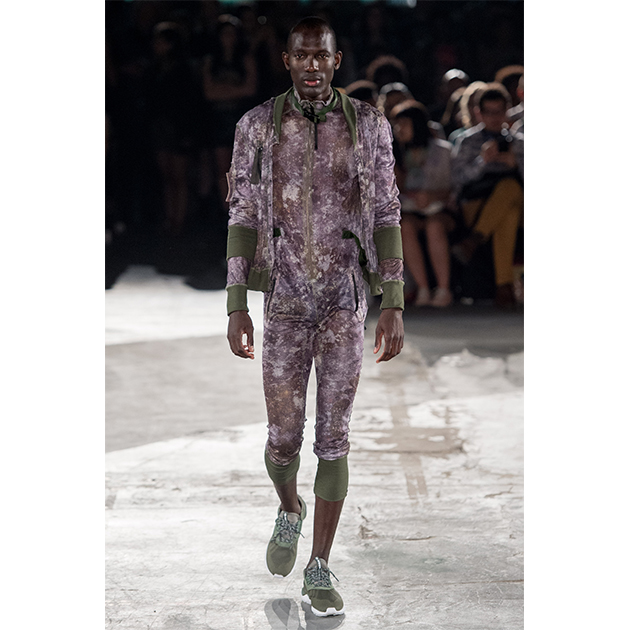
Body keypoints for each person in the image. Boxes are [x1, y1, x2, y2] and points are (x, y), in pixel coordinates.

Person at [225, 16, 404, 617]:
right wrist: (236, 303)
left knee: (333, 436)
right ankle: (290, 507)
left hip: (342, 301)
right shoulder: (256, 126)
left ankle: (319, 566)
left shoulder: (368, 125)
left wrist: (393, 300)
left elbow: (386, 211)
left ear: (336, 60)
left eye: (320, 56)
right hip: (284, 301)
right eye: (301, 56)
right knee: (283, 440)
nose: (311, 65)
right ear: (287, 60)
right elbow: (243, 214)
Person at [451, 83, 524, 307]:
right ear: (478, 113)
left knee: (510, 189)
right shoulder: (468, 141)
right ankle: (504, 286)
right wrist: (482, 161)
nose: (494, 118)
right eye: (489, 112)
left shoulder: (519, 143)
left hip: (512, 203)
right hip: (477, 202)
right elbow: (458, 179)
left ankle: (474, 241)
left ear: (507, 111)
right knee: (508, 210)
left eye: (499, 112)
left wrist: (517, 164)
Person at [392, 101, 453, 307]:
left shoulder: (442, 150)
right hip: (411, 210)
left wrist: (433, 196)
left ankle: (444, 288)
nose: (399, 129)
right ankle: (423, 287)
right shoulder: (396, 154)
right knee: (405, 227)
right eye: (396, 125)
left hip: (442, 209)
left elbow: (453, 186)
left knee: (434, 226)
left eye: (404, 124)